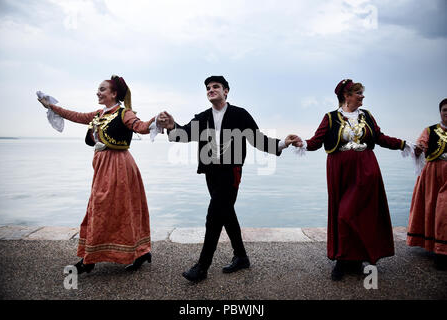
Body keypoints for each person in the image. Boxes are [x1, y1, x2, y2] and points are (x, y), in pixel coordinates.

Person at [157, 76, 299, 282]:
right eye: (208, 88)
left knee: (213, 217)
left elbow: (258, 140)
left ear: (226, 91)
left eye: (216, 87)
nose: (211, 90)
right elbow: (183, 134)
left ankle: (202, 267)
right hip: (210, 173)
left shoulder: (240, 115)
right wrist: (171, 126)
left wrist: (283, 143)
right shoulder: (203, 117)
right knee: (227, 214)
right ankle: (241, 257)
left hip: (231, 172)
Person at [293, 79, 410, 281]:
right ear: (346, 96)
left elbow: (380, 137)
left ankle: (354, 258)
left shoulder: (367, 116)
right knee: (342, 213)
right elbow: (316, 142)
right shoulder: (330, 118)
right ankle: (345, 259)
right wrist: (301, 142)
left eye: (362, 93)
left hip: (366, 169)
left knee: (356, 214)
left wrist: (403, 144)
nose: (362, 96)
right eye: (358, 93)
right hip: (340, 171)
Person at [38, 75, 157, 273]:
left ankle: (94, 259)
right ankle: (127, 253)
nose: (98, 92)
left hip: (119, 167)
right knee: (105, 208)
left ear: (114, 93)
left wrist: (156, 120)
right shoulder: (99, 114)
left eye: (102, 89)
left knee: (110, 208)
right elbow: (74, 115)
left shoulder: (124, 113)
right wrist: (50, 105)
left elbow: (141, 127)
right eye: (98, 89)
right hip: (102, 167)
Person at [407, 98, 447, 270]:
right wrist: (417, 149)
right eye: (445, 109)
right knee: (434, 209)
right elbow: (421, 146)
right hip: (433, 174)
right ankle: (439, 250)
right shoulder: (430, 130)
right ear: (440, 112)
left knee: (443, 210)